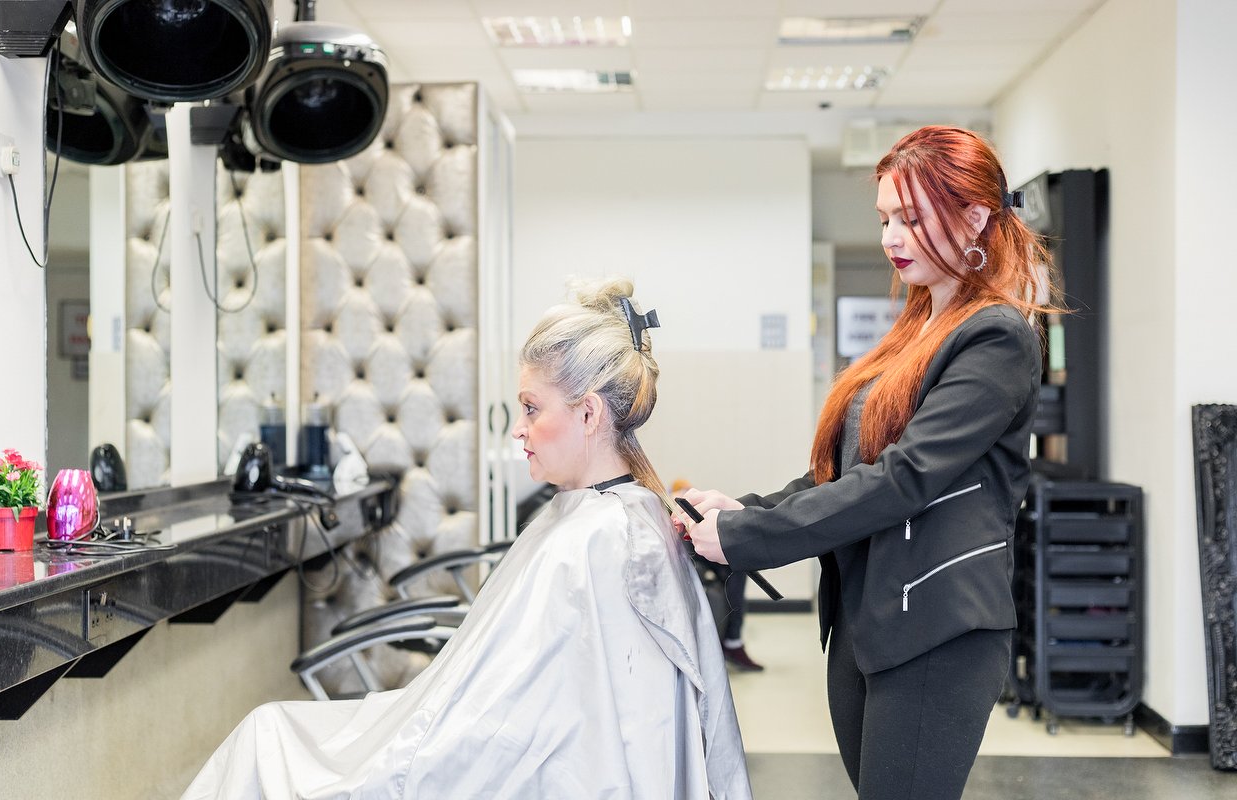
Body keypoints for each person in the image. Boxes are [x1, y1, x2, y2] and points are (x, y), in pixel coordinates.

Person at [182, 279, 751, 800]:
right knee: (269, 733)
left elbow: (552, 747)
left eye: (531, 408)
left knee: (265, 745)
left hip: (457, 758)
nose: (518, 429)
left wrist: (387, 769)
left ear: (589, 414)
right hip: (453, 739)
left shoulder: (597, 539)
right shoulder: (616, 518)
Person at [682, 125, 1057, 800]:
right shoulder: (915, 329)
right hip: (866, 616)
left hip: (936, 626)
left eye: (911, 218)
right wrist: (747, 509)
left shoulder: (996, 337)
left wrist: (748, 538)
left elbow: (903, 478)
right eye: (886, 219)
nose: (892, 237)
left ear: (976, 216)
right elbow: (848, 468)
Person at [672, 478, 764, 672]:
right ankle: (729, 642)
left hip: (696, 550)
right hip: (682, 554)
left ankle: (732, 641)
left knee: (737, 564)